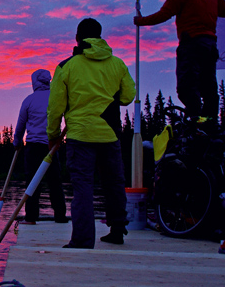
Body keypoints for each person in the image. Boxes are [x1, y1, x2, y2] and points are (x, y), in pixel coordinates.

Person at [47, 18, 136, 247]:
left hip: (80, 136)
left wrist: (53, 134)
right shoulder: (117, 64)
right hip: (110, 134)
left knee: (83, 187)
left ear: (78, 38)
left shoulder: (67, 66)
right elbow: (127, 97)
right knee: (114, 183)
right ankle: (117, 231)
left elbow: (56, 106)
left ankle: (83, 239)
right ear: (100, 36)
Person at [134, 0, 225, 123]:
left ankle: (195, 120)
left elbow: (165, 13)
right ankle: (209, 122)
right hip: (210, 46)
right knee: (208, 85)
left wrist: (141, 21)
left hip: (191, 44)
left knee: (187, 84)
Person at [14, 69, 68, 224]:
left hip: (33, 147)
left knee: (32, 182)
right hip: (52, 146)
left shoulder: (29, 100)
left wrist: (17, 143)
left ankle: (31, 218)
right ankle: (60, 216)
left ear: (34, 82)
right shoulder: (56, 98)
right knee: (55, 182)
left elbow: (20, 126)